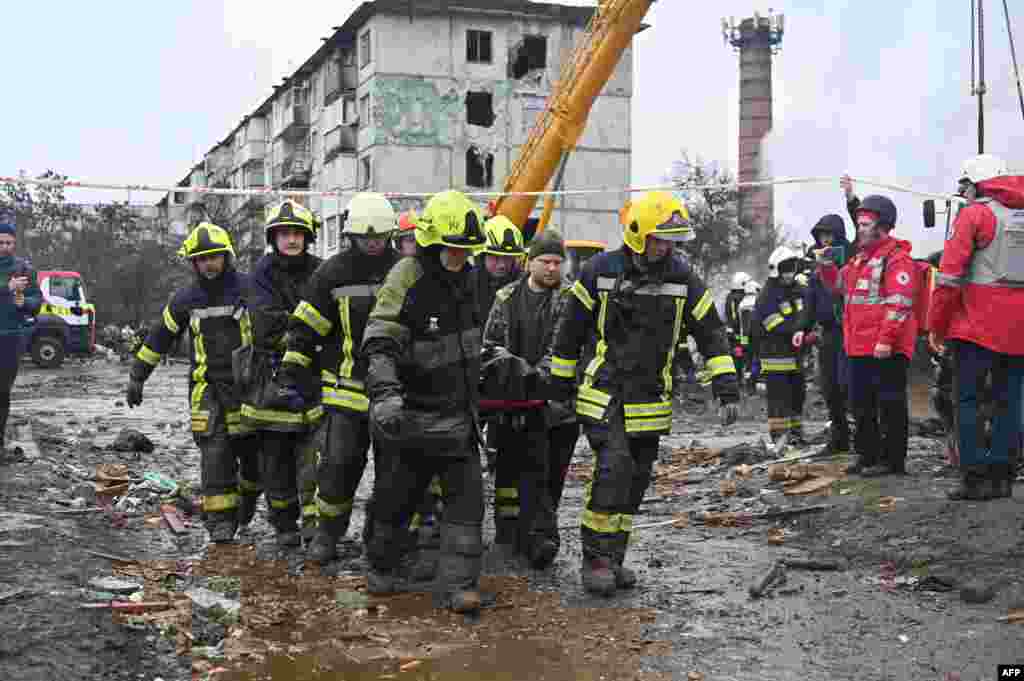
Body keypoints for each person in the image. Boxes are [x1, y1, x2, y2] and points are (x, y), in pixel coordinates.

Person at [549, 191, 740, 596]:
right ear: (637, 234)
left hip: (651, 399)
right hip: (606, 394)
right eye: (660, 238)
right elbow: (568, 334)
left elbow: (711, 333)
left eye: (672, 240)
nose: (666, 247)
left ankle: (615, 558)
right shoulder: (598, 271)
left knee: (635, 480)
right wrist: (559, 390)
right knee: (613, 469)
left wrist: (726, 389)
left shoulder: (683, 278)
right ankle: (596, 560)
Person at [361, 190, 489, 614]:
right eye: (453, 249)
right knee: (395, 500)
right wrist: (385, 395)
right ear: (433, 242)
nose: (460, 257)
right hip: (410, 416)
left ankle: (458, 585)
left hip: (457, 417)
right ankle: (381, 566)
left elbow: (477, 344)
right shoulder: (406, 277)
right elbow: (379, 341)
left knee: (468, 505)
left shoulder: (473, 281)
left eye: (466, 250)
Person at [279, 193, 398, 561]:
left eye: (380, 236)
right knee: (337, 468)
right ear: (352, 235)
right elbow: (306, 327)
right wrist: (292, 372)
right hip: (345, 390)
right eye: (367, 237)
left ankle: (384, 541)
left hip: (394, 394)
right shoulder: (332, 273)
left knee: (396, 474)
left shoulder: (404, 269)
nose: (374, 243)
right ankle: (328, 535)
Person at [126, 224, 256, 543]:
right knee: (214, 454)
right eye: (201, 259)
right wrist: (137, 376)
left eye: (214, 257)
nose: (208, 264)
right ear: (193, 263)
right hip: (205, 389)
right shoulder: (185, 299)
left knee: (253, 454)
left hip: (247, 388)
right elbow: (160, 337)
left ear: (227, 256)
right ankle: (220, 522)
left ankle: (247, 500)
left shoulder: (249, 289)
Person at [481, 226, 578, 569]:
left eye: (558, 262)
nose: (553, 268)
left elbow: (567, 348)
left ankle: (541, 537)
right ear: (530, 262)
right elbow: (491, 345)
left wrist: (531, 376)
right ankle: (508, 535)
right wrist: (511, 373)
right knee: (507, 472)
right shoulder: (506, 297)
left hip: (556, 409)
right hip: (510, 405)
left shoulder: (572, 298)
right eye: (546, 261)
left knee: (549, 475)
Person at [929, 154, 1024, 500]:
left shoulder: (974, 215)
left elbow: (949, 278)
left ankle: (974, 478)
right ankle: (1002, 477)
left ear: (973, 185)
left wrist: (937, 327)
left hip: (976, 327)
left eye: (964, 186)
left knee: (966, 399)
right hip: (1019, 330)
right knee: (1010, 400)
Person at [240, 200, 323, 546]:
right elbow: (264, 325)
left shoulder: (321, 270)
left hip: (314, 377)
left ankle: (314, 524)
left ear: (307, 237)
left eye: (297, 234)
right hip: (271, 378)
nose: (291, 240)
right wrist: (304, 325)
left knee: (315, 458)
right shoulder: (262, 273)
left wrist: (297, 323)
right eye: (284, 234)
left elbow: (329, 316)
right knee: (275, 459)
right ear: (274, 238)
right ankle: (285, 524)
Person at [818, 193, 918, 477]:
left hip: (886, 349)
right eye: (859, 224)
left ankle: (892, 461)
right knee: (860, 405)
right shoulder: (860, 260)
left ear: (882, 226)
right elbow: (838, 287)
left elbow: (899, 303)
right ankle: (867, 455)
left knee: (889, 405)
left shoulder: (897, 259)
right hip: (859, 347)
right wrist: (826, 266)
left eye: (864, 224)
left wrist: (886, 340)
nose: (859, 229)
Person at [751, 247, 813, 447]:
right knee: (779, 399)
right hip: (775, 357)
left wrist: (805, 331)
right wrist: (800, 332)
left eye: (792, 269)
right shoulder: (767, 295)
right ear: (776, 270)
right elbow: (774, 325)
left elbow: (806, 313)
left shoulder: (798, 290)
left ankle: (795, 434)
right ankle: (779, 437)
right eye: (785, 269)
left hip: (795, 357)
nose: (789, 274)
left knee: (797, 396)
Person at [806, 214, 852, 456]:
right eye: (821, 235)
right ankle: (839, 438)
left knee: (849, 386)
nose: (825, 240)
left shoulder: (851, 259)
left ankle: (862, 438)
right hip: (828, 335)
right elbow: (810, 300)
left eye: (829, 235)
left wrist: (851, 199)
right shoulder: (816, 267)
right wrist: (803, 329)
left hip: (849, 332)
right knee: (830, 388)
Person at [0, 221, 41, 450]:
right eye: (1, 243)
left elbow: (37, 301)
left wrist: (25, 302)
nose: (5, 247)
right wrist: (7, 287)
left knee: (3, 392)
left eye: (9, 243)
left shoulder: (23, 268)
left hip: (10, 338)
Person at [724, 272, 751, 391]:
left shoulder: (730, 296)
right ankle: (742, 381)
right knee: (743, 354)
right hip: (739, 333)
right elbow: (737, 319)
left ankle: (739, 380)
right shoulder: (738, 298)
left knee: (737, 356)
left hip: (734, 333)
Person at [739, 279, 760, 395]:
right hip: (757, 336)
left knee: (747, 360)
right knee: (757, 359)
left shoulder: (742, 303)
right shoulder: (757, 301)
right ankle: (752, 382)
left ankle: (748, 385)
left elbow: (741, 324)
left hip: (744, 337)